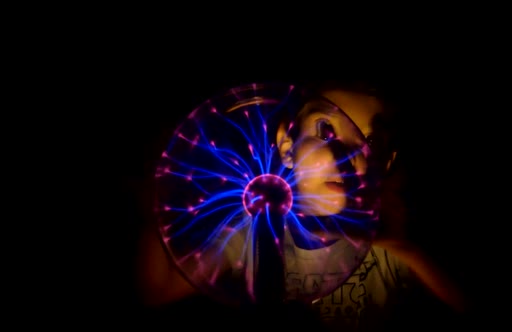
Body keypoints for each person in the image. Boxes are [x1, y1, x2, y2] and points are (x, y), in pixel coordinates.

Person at [136, 80, 468, 330]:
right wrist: (156, 192)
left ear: (386, 161)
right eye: (327, 131)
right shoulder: (245, 238)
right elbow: (155, 291)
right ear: (286, 146)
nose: (352, 156)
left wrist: (408, 248)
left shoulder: (392, 248)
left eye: (370, 141)